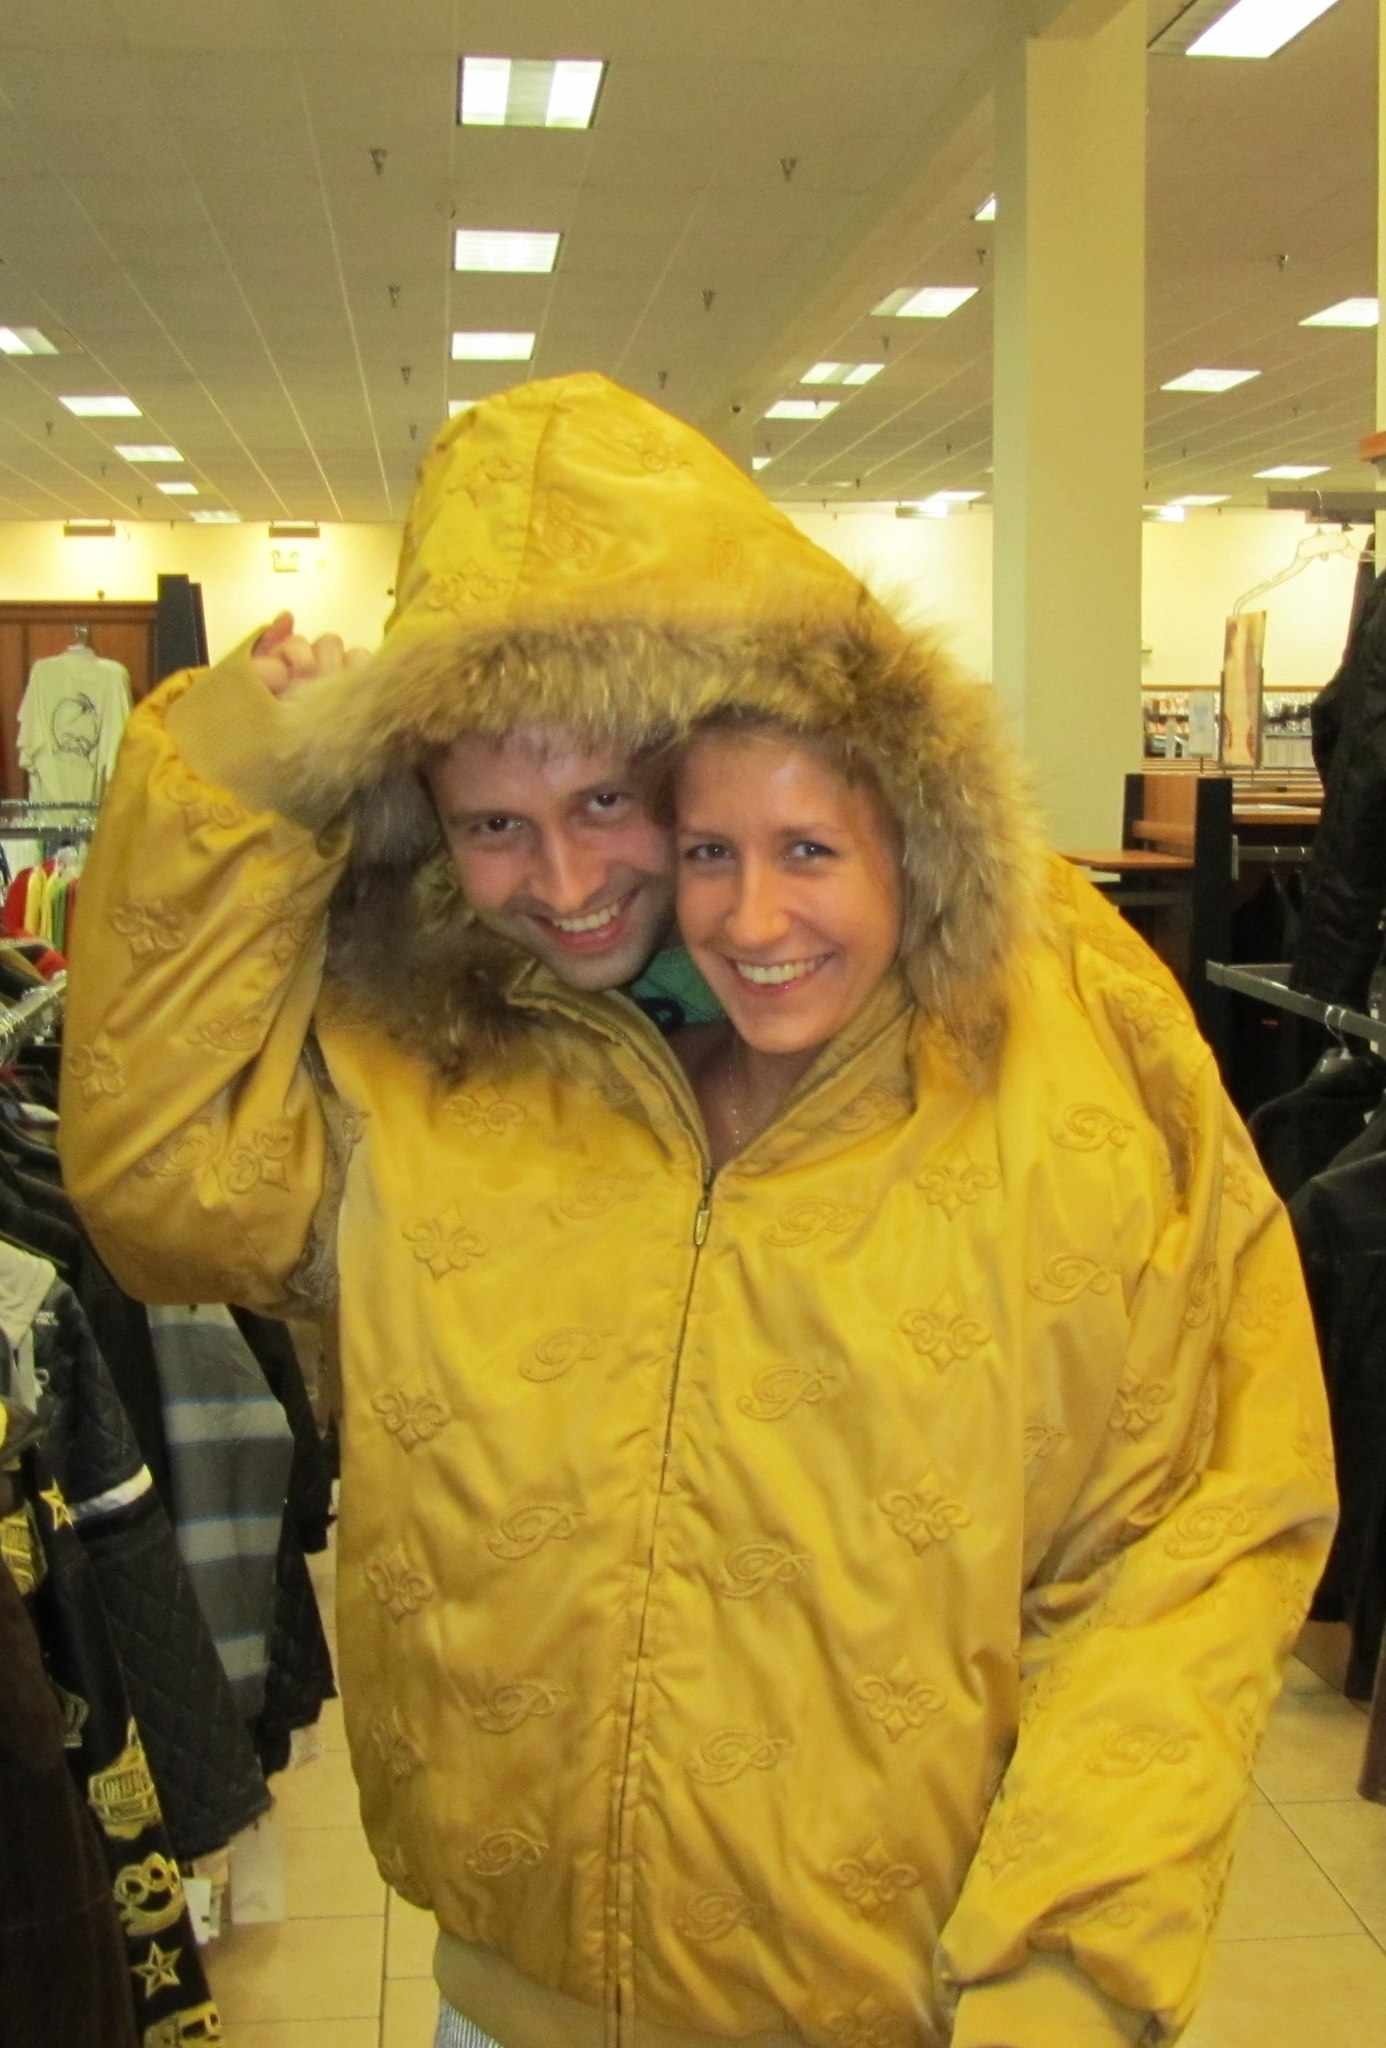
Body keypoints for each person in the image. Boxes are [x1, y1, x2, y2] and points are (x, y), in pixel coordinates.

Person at [58, 371, 1335, 2048]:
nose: (569, 883)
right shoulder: (434, 1062)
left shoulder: (1049, 1061)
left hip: (905, 2011)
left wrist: (1071, 1966)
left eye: (606, 804)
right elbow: (164, 1194)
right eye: (493, 825)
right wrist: (231, 784)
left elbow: (1196, 1524)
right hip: (498, 2005)